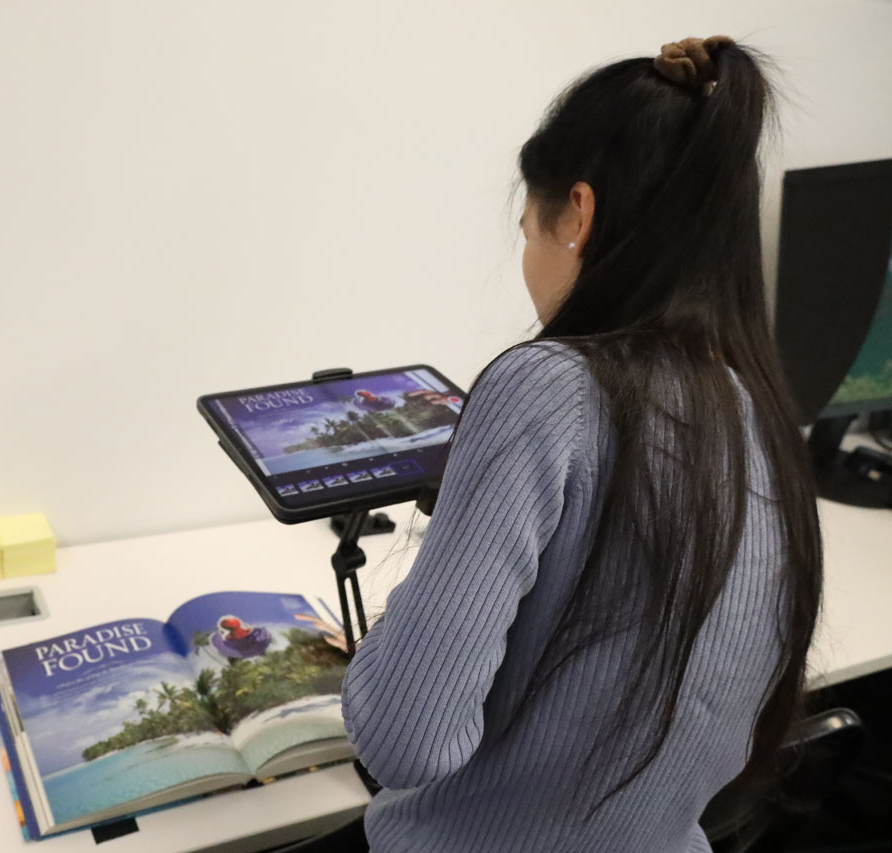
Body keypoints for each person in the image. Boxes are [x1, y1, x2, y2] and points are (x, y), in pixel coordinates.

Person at [341, 36, 822, 852]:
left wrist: (404, 618)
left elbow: (406, 742)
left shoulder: (545, 383)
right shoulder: (758, 404)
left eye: (530, 224)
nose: (528, 251)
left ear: (579, 214)